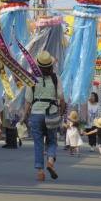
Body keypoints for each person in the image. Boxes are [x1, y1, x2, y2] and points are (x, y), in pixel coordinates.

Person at [20, 50, 66, 181]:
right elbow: (61, 98)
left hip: (36, 114)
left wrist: (23, 116)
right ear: (50, 65)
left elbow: (28, 100)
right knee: (52, 141)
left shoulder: (32, 79)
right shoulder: (55, 78)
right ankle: (50, 162)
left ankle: (40, 172)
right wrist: (61, 111)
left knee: (38, 143)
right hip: (51, 113)